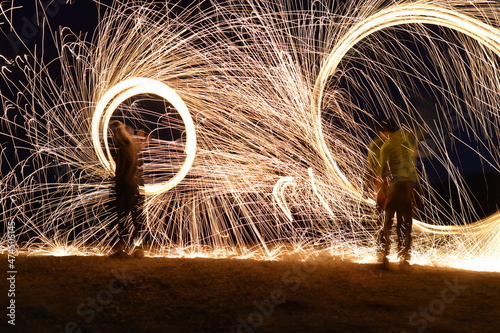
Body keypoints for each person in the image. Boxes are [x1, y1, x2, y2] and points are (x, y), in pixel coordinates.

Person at [377, 118, 418, 267]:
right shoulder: (406, 143)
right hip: (408, 186)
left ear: (384, 132)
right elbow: (412, 167)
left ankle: (384, 255)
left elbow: (383, 172)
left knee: (387, 221)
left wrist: (383, 190)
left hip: (396, 186)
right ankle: (404, 257)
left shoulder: (386, 147)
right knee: (405, 223)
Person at [110, 121, 141, 256]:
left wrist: (116, 183)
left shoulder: (122, 150)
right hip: (134, 185)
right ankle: (136, 246)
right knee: (134, 217)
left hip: (124, 185)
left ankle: (122, 246)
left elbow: (120, 171)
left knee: (122, 216)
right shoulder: (133, 147)